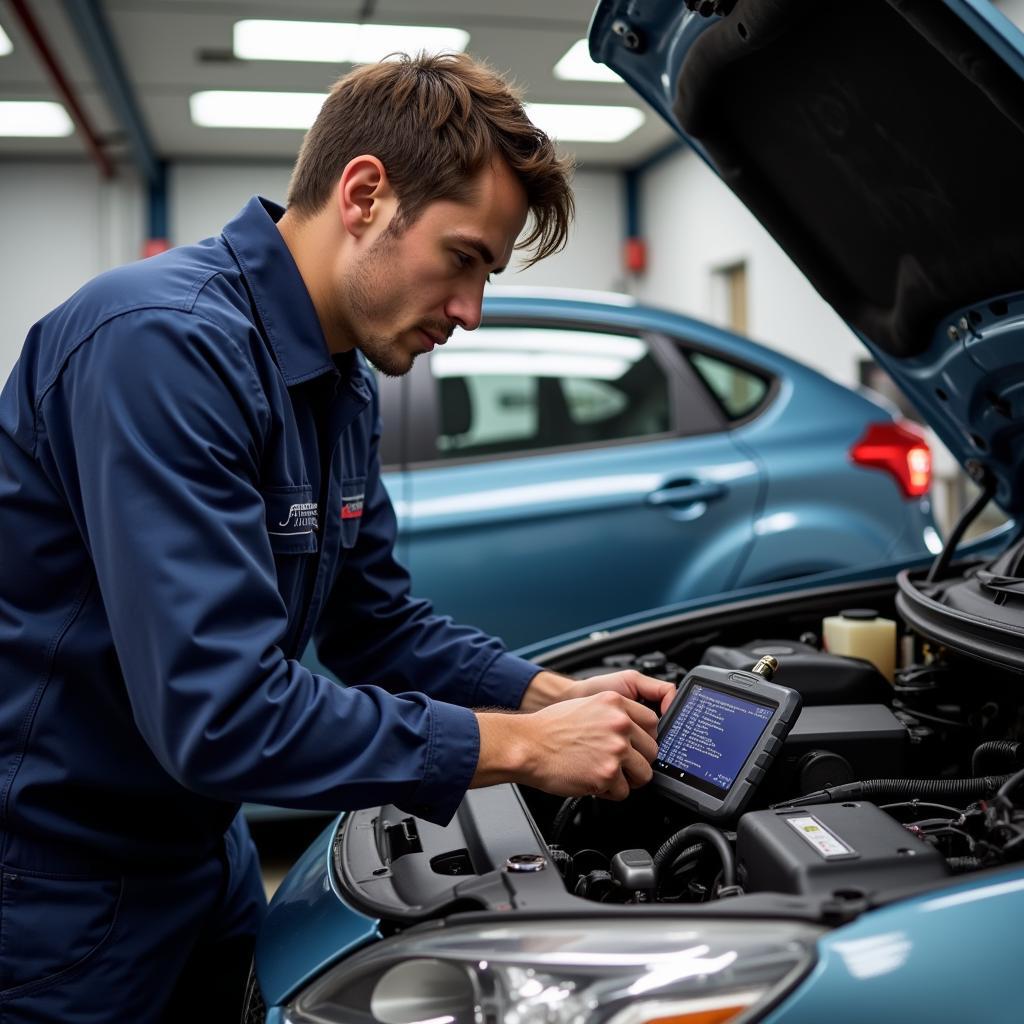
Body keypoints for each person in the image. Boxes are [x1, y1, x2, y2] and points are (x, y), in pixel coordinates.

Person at [0, 53, 674, 1022]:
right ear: (365, 194)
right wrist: (519, 745)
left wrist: (546, 693)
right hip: (57, 879)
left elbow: (377, 624)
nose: (471, 313)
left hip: (200, 850)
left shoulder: (338, 374)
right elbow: (221, 715)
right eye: (464, 257)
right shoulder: (159, 343)